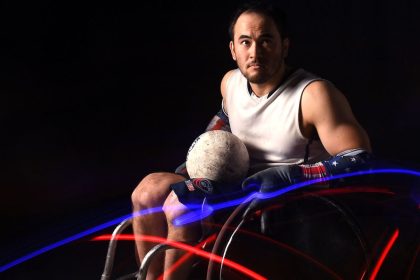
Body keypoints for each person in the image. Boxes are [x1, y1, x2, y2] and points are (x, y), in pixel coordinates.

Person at [131, 1, 372, 279]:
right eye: (245, 42)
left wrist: (289, 176)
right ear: (233, 49)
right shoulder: (230, 83)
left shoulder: (313, 95)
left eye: (266, 41)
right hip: (235, 187)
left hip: (285, 203)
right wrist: (191, 169)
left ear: (285, 46)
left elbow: (360, 160)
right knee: (147, 192)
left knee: (182, 205)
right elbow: (223, 125)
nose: (255, 52)